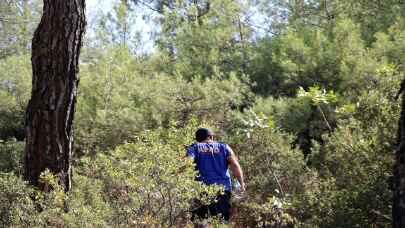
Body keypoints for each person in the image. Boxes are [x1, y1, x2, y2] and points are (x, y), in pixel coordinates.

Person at [186, 128, 245, 223]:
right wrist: (241, 183)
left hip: (201, 189)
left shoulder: (194, 147)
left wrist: (175, 174)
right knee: (221, 221)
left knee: (199, 221)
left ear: (198, 139)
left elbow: (188, 163)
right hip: (222, 189)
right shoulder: (224, 147)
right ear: (211, 136)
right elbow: (235, 165)